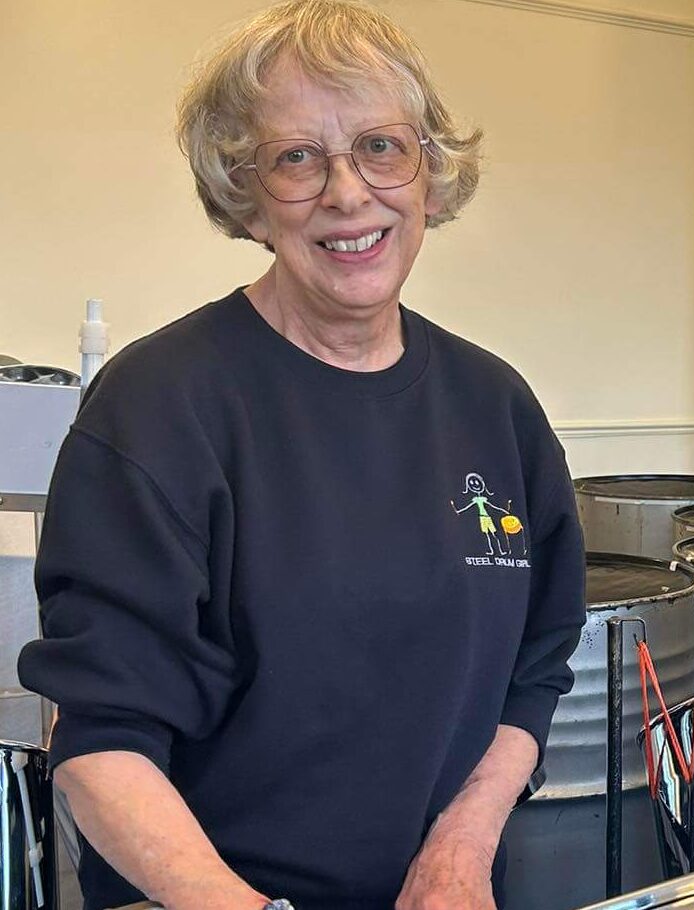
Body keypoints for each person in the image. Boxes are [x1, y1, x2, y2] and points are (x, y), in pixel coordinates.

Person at [17, 2, 586, 908]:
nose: (348, 192)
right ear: (246, 196)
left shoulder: (496, 407)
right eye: (297, 158)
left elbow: (537, 664)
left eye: (381, 147)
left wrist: (463, 846)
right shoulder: (160, 406)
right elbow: (100, 742)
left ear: (429, 174)